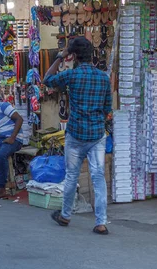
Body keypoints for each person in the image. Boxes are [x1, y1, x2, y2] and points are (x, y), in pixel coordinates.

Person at [43, 37, 112, 235]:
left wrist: (59, 57)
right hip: (97, 134)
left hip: (75, 134)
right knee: (98, 177)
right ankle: (101, 222)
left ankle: (65, 215)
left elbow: (47, 79)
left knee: (72, 175)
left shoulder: (72, 75)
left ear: (73, 56)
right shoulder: (103, 78)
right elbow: (107, 108)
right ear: (92, 55)